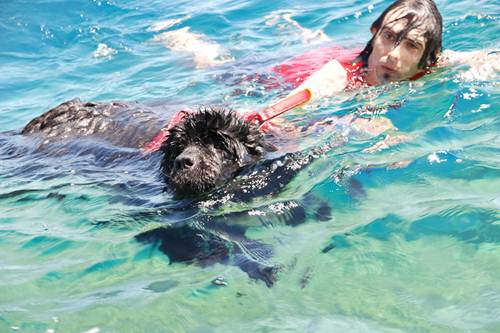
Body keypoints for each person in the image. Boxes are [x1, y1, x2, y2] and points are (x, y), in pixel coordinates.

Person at [251, 0, 498, 148]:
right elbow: (273, 120)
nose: (393, 55)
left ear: (428, 60)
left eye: (411, 46)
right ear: (374, 32)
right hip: (280, 75)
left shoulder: (431, 66)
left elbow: (482, 59)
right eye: (389, 37)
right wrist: (349, 122)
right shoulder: (338, 76)